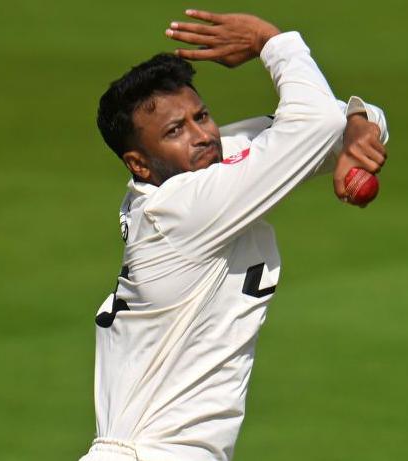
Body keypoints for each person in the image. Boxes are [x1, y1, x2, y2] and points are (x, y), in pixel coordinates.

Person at [82, 9, 389, 461]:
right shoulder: (181, 210)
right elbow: (317, 123)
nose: (202, 135)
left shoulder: (206, 169)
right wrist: (270, 40)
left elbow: (331, 123)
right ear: (139, 164)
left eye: (201, 116)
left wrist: (359, 124)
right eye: (174, 131)